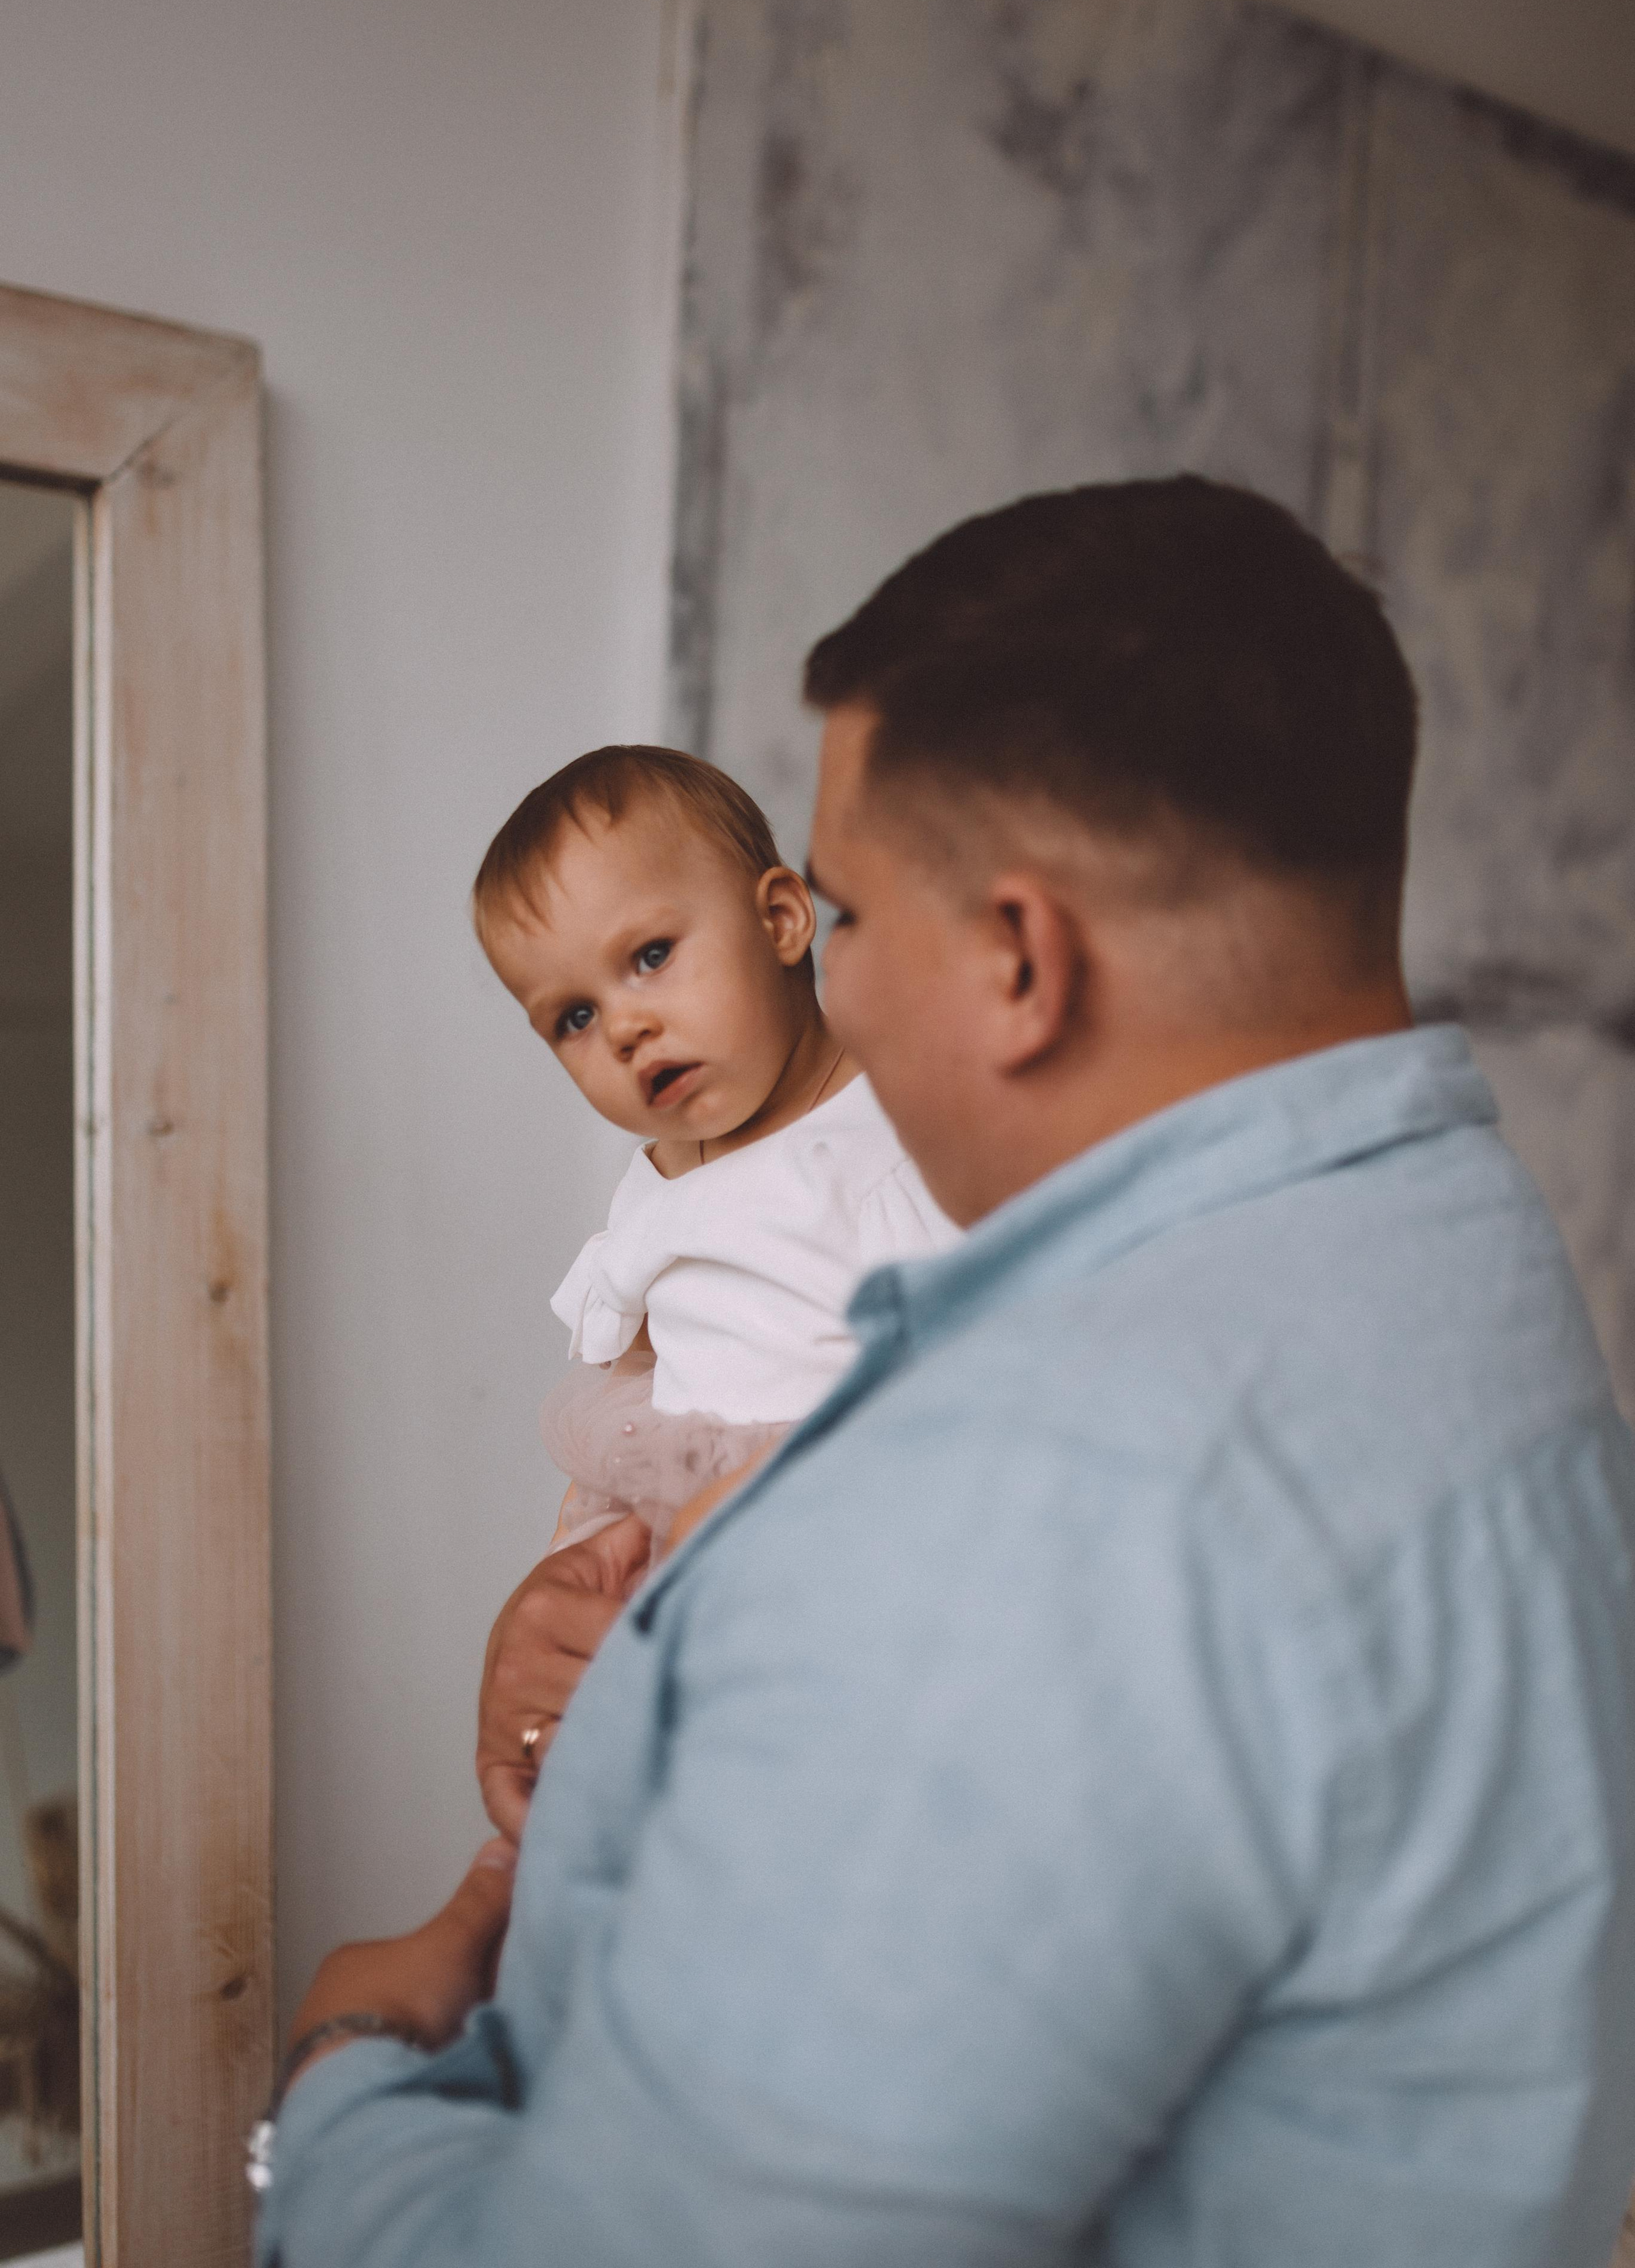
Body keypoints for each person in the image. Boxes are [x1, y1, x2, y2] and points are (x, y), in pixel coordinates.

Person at [259, 476, 1635, 2268]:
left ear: (1016, 958)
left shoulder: (1040, 1500)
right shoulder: (1466, 1275)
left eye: (840, 916)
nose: (836, 983)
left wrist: (344, 2077)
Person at [472, 745, 957, 1577]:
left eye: (651, 956)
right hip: (691, 1540)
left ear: (780, 920)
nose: (625, 1028)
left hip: (856, 1526)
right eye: (576, 1016)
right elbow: (639, 1380)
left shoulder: (892, 1137)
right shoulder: (662, 1175)